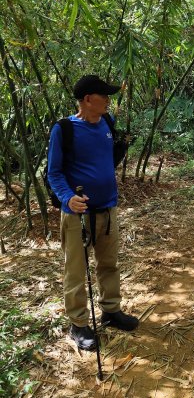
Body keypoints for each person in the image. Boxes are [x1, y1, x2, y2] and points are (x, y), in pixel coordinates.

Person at [47, 74, 139, 351]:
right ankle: (78, 325)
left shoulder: (107, 123)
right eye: (104, 96)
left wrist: (121, 149)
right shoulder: (64, 129)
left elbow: (105, 161)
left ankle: (111, 311)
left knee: (109, 264)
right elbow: (54, 173)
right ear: (88, 99)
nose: (109, 101)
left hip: (108, 209)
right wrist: (68, 197)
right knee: (76, 271)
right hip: (78, 215)